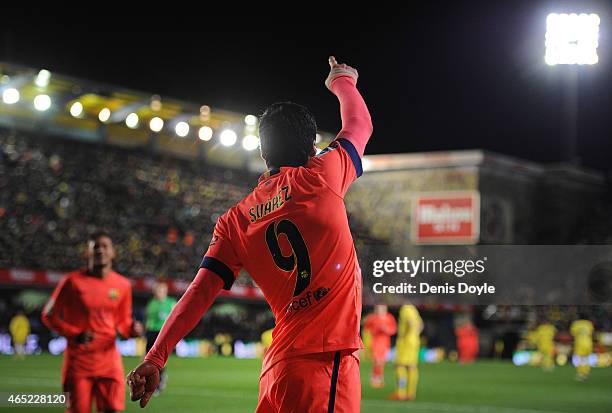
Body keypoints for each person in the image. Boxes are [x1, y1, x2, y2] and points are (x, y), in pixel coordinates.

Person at [128, 55, 373, 412]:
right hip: (323, 366)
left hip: (276, 372)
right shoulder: (322, 174)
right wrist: (342, 80)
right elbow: (359, 125)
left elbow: (198, 294)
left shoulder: (235, 219)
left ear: (262, 152)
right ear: (310, 150)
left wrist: (155, 357)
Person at [42, 231, 143, 413]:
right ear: (87, 253)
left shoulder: (123, 285)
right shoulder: (72, 282)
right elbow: (48, 314)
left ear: (113, 252)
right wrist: (75, 334)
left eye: (105, 246)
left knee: (113, 409)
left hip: (109, 360)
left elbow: (122, 321)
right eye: (95, 247)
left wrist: (132, 330)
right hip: (79, 362)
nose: (100, 251)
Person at [144, 279, 176, 394]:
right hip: (151, 333)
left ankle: (159, 381)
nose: (159, 292)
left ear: (166, 291)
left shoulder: (171, 303)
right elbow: (148, 320)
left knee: (158, 361)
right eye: (157, 290)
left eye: (161, 290)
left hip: (162, 334)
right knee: (148, 360)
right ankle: (152, 383)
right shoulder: (152, 303)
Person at [389, 304, 423, 401]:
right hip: (415, 341)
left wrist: (406, 335)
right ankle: (411, 393)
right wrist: (415, 335)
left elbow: (410, 322)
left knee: (400, 366)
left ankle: (401, 393)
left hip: (406, 342)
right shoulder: (414, 309)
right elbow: (421, 325)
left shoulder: (405, 308)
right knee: (412, 366)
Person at [363, 305, 397, 388]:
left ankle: (378, 378)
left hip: (385, 342)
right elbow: (366, 328)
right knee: (377, 360)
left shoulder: (389, 317)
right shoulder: (372, 318)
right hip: (375, 342)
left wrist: (386, 329)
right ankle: (376, 379)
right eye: (378, 309)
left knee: (381, 361)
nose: (380, 311)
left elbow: (393, 330)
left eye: (382, 309)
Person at [570, 315, 594, 381]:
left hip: (579, 343)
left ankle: (581, 373)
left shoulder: (576, 324)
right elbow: (591, 332)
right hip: (588, 343)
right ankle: (586, 372)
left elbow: (573, 333)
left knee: (580, 359)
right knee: (586, 359)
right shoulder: (589, 323)